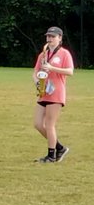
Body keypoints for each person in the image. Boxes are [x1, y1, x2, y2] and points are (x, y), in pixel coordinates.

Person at [34, 26, 74, 163]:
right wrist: (37, 82)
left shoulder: (64, 54)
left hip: (56, 93)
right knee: (38, 124)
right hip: (44, 92)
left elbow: (70, 71)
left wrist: (52, 68)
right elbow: (35, 72)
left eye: (53, 36)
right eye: (48, 36)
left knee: (50, 125)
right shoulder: (43, 54)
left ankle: (51, 155)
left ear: (60, 38)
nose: (49, 39)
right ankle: (60, 148)